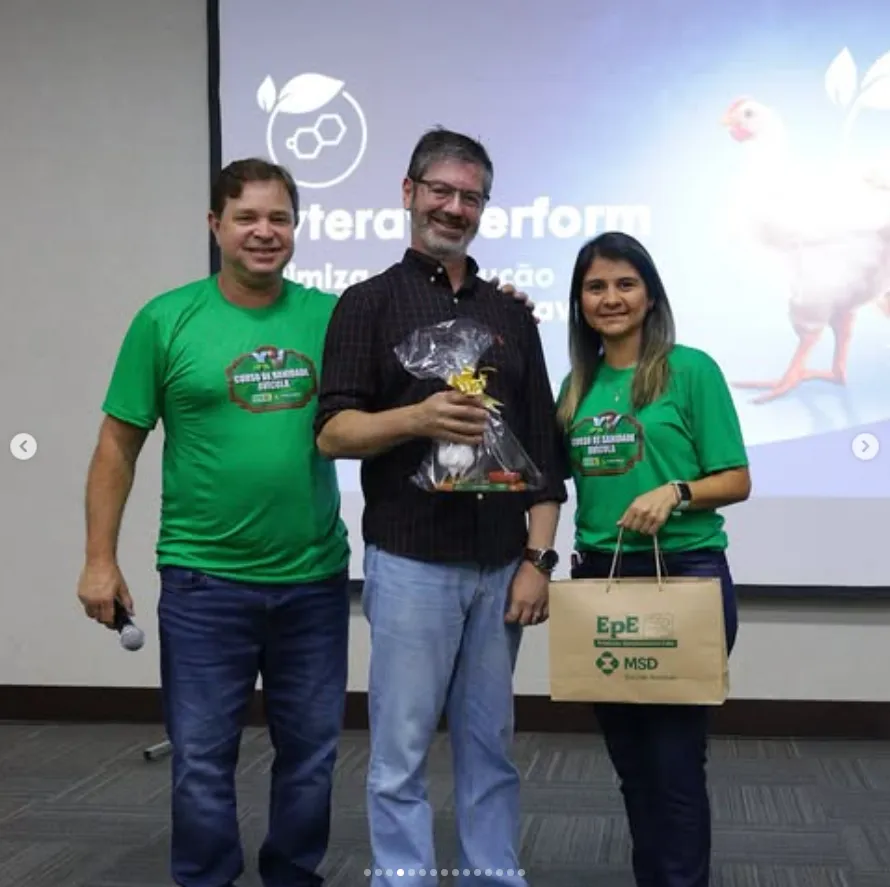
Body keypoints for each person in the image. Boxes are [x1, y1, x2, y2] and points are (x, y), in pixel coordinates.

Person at [75, 157, 533, 887]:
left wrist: (501, 305)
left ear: (295, 227)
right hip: (202, 580)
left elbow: (440, 355)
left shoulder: (335, 315)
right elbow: (115, 447)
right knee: (201, 756)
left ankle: (293, 877)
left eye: (279, 218)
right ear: (216, 225)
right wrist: (100, 559)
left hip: (313, 578)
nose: (264, 232)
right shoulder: (165, 320)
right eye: (247, 218)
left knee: (313, 757)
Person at [314, 127, 568, 887]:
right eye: (441, 191)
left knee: (492, 746)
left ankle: (495, 874)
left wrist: (538, 559)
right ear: (409, 192)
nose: (454, 208)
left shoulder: (510, 315)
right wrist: (417, 418)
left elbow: (542, 451)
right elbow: (333, 432)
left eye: (471, 197)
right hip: (410, 561)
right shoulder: (366, 304)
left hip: (501, 566)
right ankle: (404, 877)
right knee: (400, 748)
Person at [556, 231, 751, 887]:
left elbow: (736, 478)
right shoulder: (576, 386)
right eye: (595, 287)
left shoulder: (690, 370)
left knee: (672, 766)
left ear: (650, 295)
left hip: (682, 580)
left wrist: (677, 491)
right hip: (601, 581)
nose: (610, 298)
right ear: (580, 303)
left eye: (625, 283)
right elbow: (543, 475)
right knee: (632, 766)